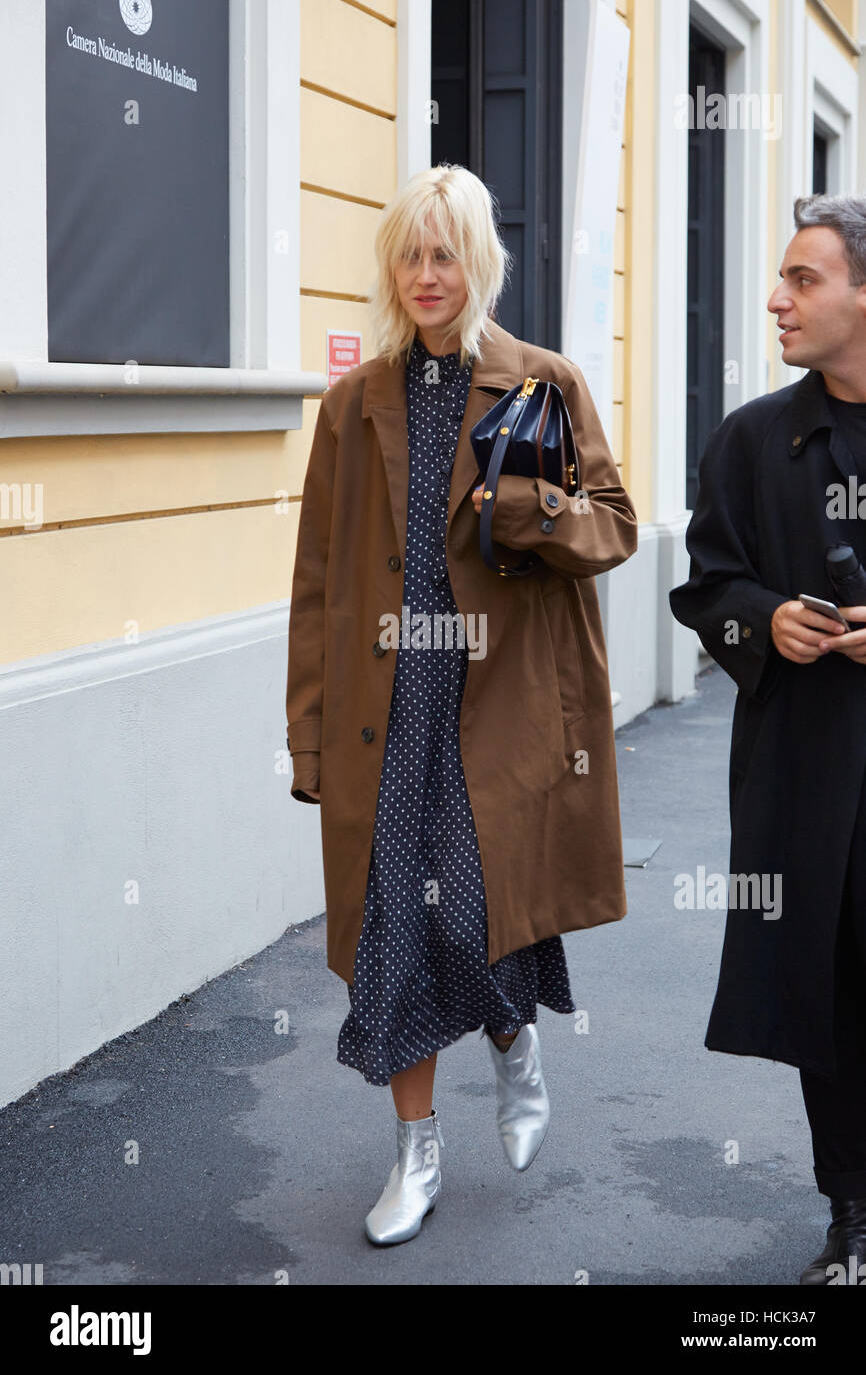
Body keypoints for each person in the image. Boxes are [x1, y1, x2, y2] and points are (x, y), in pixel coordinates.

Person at [285, 163, 637, 1246]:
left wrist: (530, 507)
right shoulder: (351, 405)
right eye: (408, 253)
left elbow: (613, 524)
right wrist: (306, 735)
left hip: (499, 706)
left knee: (475, 910)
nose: (424, 274)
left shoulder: (542, 383)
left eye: (443, 253)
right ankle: (415, 1150)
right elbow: (315, 582)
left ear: (476, 261)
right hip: (385, 714)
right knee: (396, 922)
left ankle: (514, 1044)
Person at [670, 194, 866, 1285]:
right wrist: (762, 619)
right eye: (779, 278)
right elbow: (704, 585)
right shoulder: (750, 439)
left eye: (801, 278)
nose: (774, 297)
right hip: (804, 773)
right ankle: (853, 1218)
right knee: (826, 994)